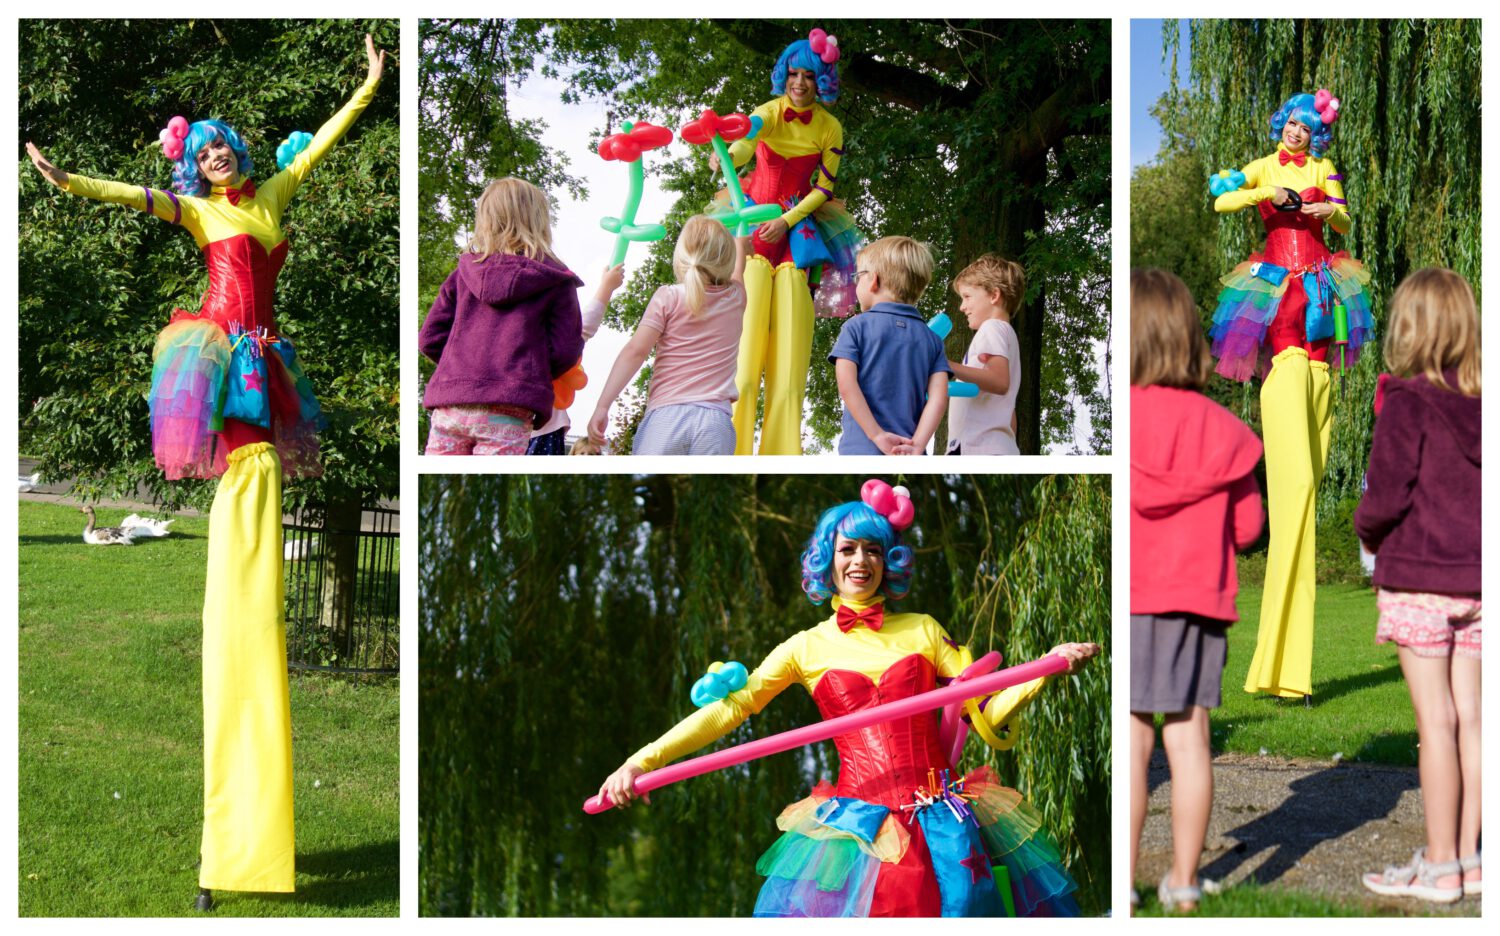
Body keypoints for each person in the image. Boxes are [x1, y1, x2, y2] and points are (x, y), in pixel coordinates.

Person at [26, 34, 386, 908]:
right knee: (241, 448)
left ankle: (248, 851)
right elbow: (135, 195)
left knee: (259, 446)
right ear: (196, 168)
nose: (214, 155)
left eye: (222, 144)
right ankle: (228, 851)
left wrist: (371, 82)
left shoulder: (272, 195)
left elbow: (329, 134)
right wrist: (68, 180)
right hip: (221, 349)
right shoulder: (200, 213)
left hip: (264, 357)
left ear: (241, 152)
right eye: (202, 151)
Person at [597, 480, 1098, 916]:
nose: (862, 561)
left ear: (889, 559)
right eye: (848, 550)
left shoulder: (923, 630)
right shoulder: (804, 647)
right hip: (859, 831)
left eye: (874, 550)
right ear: (827, 561)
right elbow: (728, 712)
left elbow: (985, 705)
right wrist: (639, 762)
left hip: (944, 825)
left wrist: (1043, 671)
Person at [1207, 89, 1375, 701]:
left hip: (1324, 283)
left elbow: (1346, 217)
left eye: (1307, 128)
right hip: (1276, 283)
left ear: (1315, 134)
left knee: (1318, 361)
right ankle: (1280, 666)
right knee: (1294, 473)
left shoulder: (1323, 170)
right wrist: (1264, 194)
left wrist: (1326, 210)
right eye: (1292, 126)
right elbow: (1221, 195)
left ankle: (1284, 666)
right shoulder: (1266, 164)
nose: (1298, 135)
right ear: (1282, 128)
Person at [1128, 270, 1264, 912]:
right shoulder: (1225, 432)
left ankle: (1122, 888)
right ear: (1188, 341)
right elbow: (1248, 528)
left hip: (1130, 598)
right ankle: (1183, 882)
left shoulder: (1122, 425)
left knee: (1133, 744)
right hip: (1197, 604)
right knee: (1189, 740)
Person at [1356, 268, 1481, 903]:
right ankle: (1469, 858)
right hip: (1481, 583)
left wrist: (1366, 531)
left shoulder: (1405, 401)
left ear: (1409, 328)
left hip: (1421, 583)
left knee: (1435, 724)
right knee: (1476, 724)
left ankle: (1439, 867)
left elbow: (1387, 493)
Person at [712, 27, 862, 454]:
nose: (800, 83)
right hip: (753, 229)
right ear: (785, 75)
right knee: (744, 352)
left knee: (791, 356)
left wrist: (788, 219)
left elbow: (825, 188)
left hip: (800, 235)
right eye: (795, 74)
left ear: (822, 82)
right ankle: (730, 450)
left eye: (810, 76)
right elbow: (745, 141)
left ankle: (782, 452)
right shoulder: (771, 110)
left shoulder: (831, 128)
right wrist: (724, 151)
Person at [419, 177, 584, 455]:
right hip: (510, 406)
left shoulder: (462, 274)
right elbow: (566, 349)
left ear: (485, 219)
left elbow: (429, 338)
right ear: (539, 220)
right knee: (487, 489)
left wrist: (460, 369)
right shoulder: (556, 280)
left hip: (451, 404)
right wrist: (529, 374)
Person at [588, 216, 748, 455]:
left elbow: (636, 351)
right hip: (716, 423)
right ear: (726, 258)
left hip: (666, 417)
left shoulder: (668, 297)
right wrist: (741, 245)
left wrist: (603, 404)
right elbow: (738, 270)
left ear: (682, 256)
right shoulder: (736, 298)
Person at [830, 237, 950, 455]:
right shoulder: (932, 340)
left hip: (861, 449)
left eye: (858, 276)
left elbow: (846, 385)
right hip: (910, 455)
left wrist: (876, 435)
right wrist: (918, 445)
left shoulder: (855, 327)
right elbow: (939, 398)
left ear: (873, 280)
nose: (856, 284)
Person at [528, 264, 625, 454]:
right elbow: (583, 328)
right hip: (539, 430)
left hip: (522, 428)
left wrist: (606, 287)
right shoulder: (545, 345)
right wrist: (606, 287)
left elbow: (582, 327)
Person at [945, 254, 1024, 455]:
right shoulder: (1005, 333)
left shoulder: (992, 328)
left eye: (967, 296)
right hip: (993, 446)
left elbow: (999, 381)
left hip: (978, 447)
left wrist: (947, 365)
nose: (962, 307)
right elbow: (1009, 412)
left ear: (994, 295)